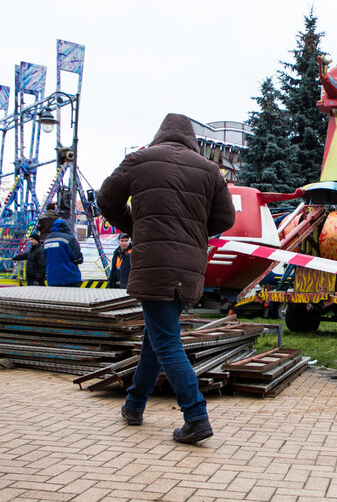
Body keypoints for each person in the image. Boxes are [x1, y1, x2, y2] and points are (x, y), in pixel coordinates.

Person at [97, 113, 235, 445]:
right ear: (192, 139)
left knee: (165, 341)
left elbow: (106, 200)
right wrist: (192, 235)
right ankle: (134, 405)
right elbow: (226, 218)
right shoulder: (208, 170)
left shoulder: (139, 159)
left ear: (160, 134)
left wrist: (136, 226)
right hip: (188, 267)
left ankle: (196, 415)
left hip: (154, 263)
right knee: (157, 338)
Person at [42, 218, 83, 287]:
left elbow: (45, 257)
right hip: (69, 278)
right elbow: (78, 258)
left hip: (52, 278)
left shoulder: (47, 240)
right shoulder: (68, 239)